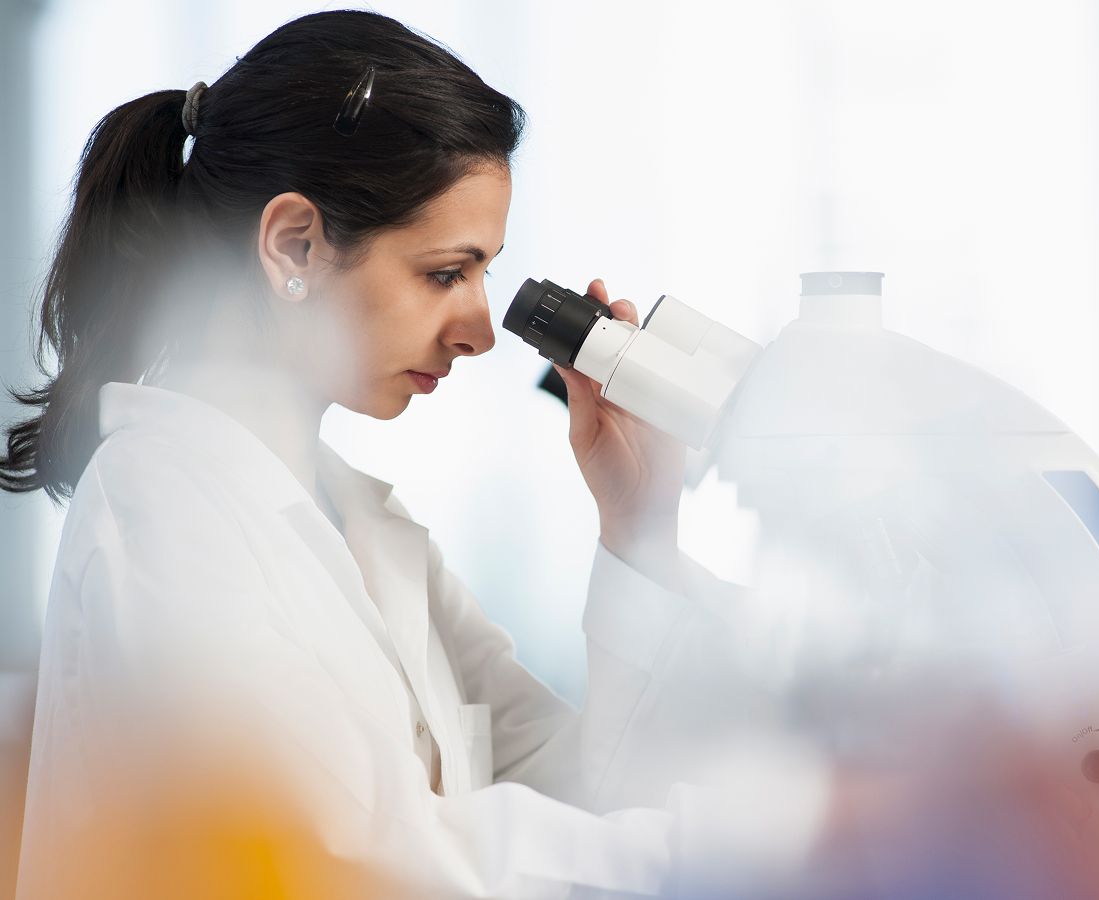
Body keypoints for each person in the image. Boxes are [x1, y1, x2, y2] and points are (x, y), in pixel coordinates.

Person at [0, 10, 808, 899]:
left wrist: (638, 528)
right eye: (444, 273)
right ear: (293, 246)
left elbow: (588, 798)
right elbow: (354, 856)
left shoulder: (355, 522)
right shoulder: (161, 516)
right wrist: (786, 841)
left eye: (485, 274)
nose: (479, 331)